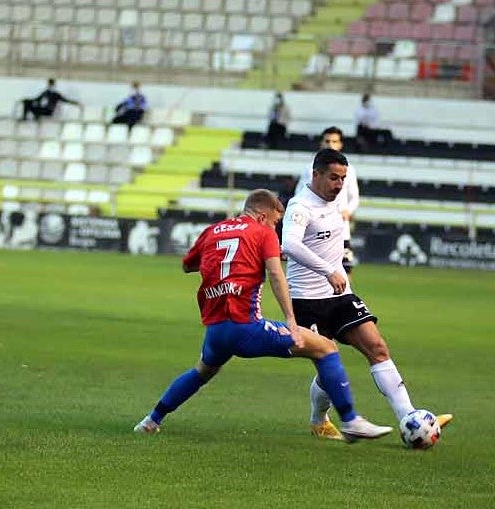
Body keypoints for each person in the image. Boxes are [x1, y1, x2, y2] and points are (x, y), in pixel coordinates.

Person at [133, 188, 393, 442]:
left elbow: (187, 265)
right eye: (275, 222)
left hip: (216, 328)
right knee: (325, 348)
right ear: (261, 216)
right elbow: (277, 275)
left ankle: (151, 420)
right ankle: (350, 421)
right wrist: (291, 320)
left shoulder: (212, 231)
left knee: (202, 371)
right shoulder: (261, 232)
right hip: (246, 327)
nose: (275, 229)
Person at [281, 149, 453, 440]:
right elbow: (290, 245)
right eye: (333, 178)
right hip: (307, 300)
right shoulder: (300, 206)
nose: (339, 185)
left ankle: (409, 418)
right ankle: (318, 419)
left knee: (377, 347)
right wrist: (328, 270)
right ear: (316, 174)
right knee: (327, 369)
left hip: (340, 295)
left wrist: (340, 270)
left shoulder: (335, 203)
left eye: (343, 179)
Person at [295, 126, 360, 275]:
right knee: (314, 270)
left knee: (345, 271)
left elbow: (354, 197)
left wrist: (348, 211)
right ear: (321, 143)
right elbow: (299, 193)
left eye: (334, 141)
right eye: (327, 141)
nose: (331, 144)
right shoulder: (309, 168)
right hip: (317, 227)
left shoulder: (349, 169)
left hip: (341, 229)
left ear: (340, 144)